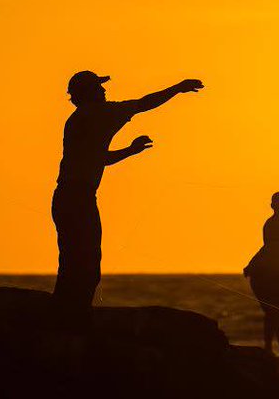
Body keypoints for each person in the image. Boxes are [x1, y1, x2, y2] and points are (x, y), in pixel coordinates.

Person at [52, 70, 204, 320]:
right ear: (88, 93)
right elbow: (144, 103)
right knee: (86, 263)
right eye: (98, 87)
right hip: (78, 199)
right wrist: (178, 88)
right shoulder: (99, 113)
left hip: (67, 198)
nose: (104, 91)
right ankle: (73, 319)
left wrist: (131, 151)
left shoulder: (78, 118)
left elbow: (100, 159)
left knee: (73, 262)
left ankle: (67, 315)